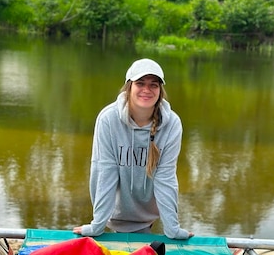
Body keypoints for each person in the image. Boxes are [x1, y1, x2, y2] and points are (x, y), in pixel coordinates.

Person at [73, 58, 193, 239]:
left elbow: (165, 177)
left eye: (154, 85)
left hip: (148, 214)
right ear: (129, 87)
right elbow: (106, 172)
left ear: (160, 91)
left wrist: (172, 228)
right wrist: (97, 225)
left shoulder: (172, 124)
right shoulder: (108, 119)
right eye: (140, 83)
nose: (147, 90)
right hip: (114, 213)